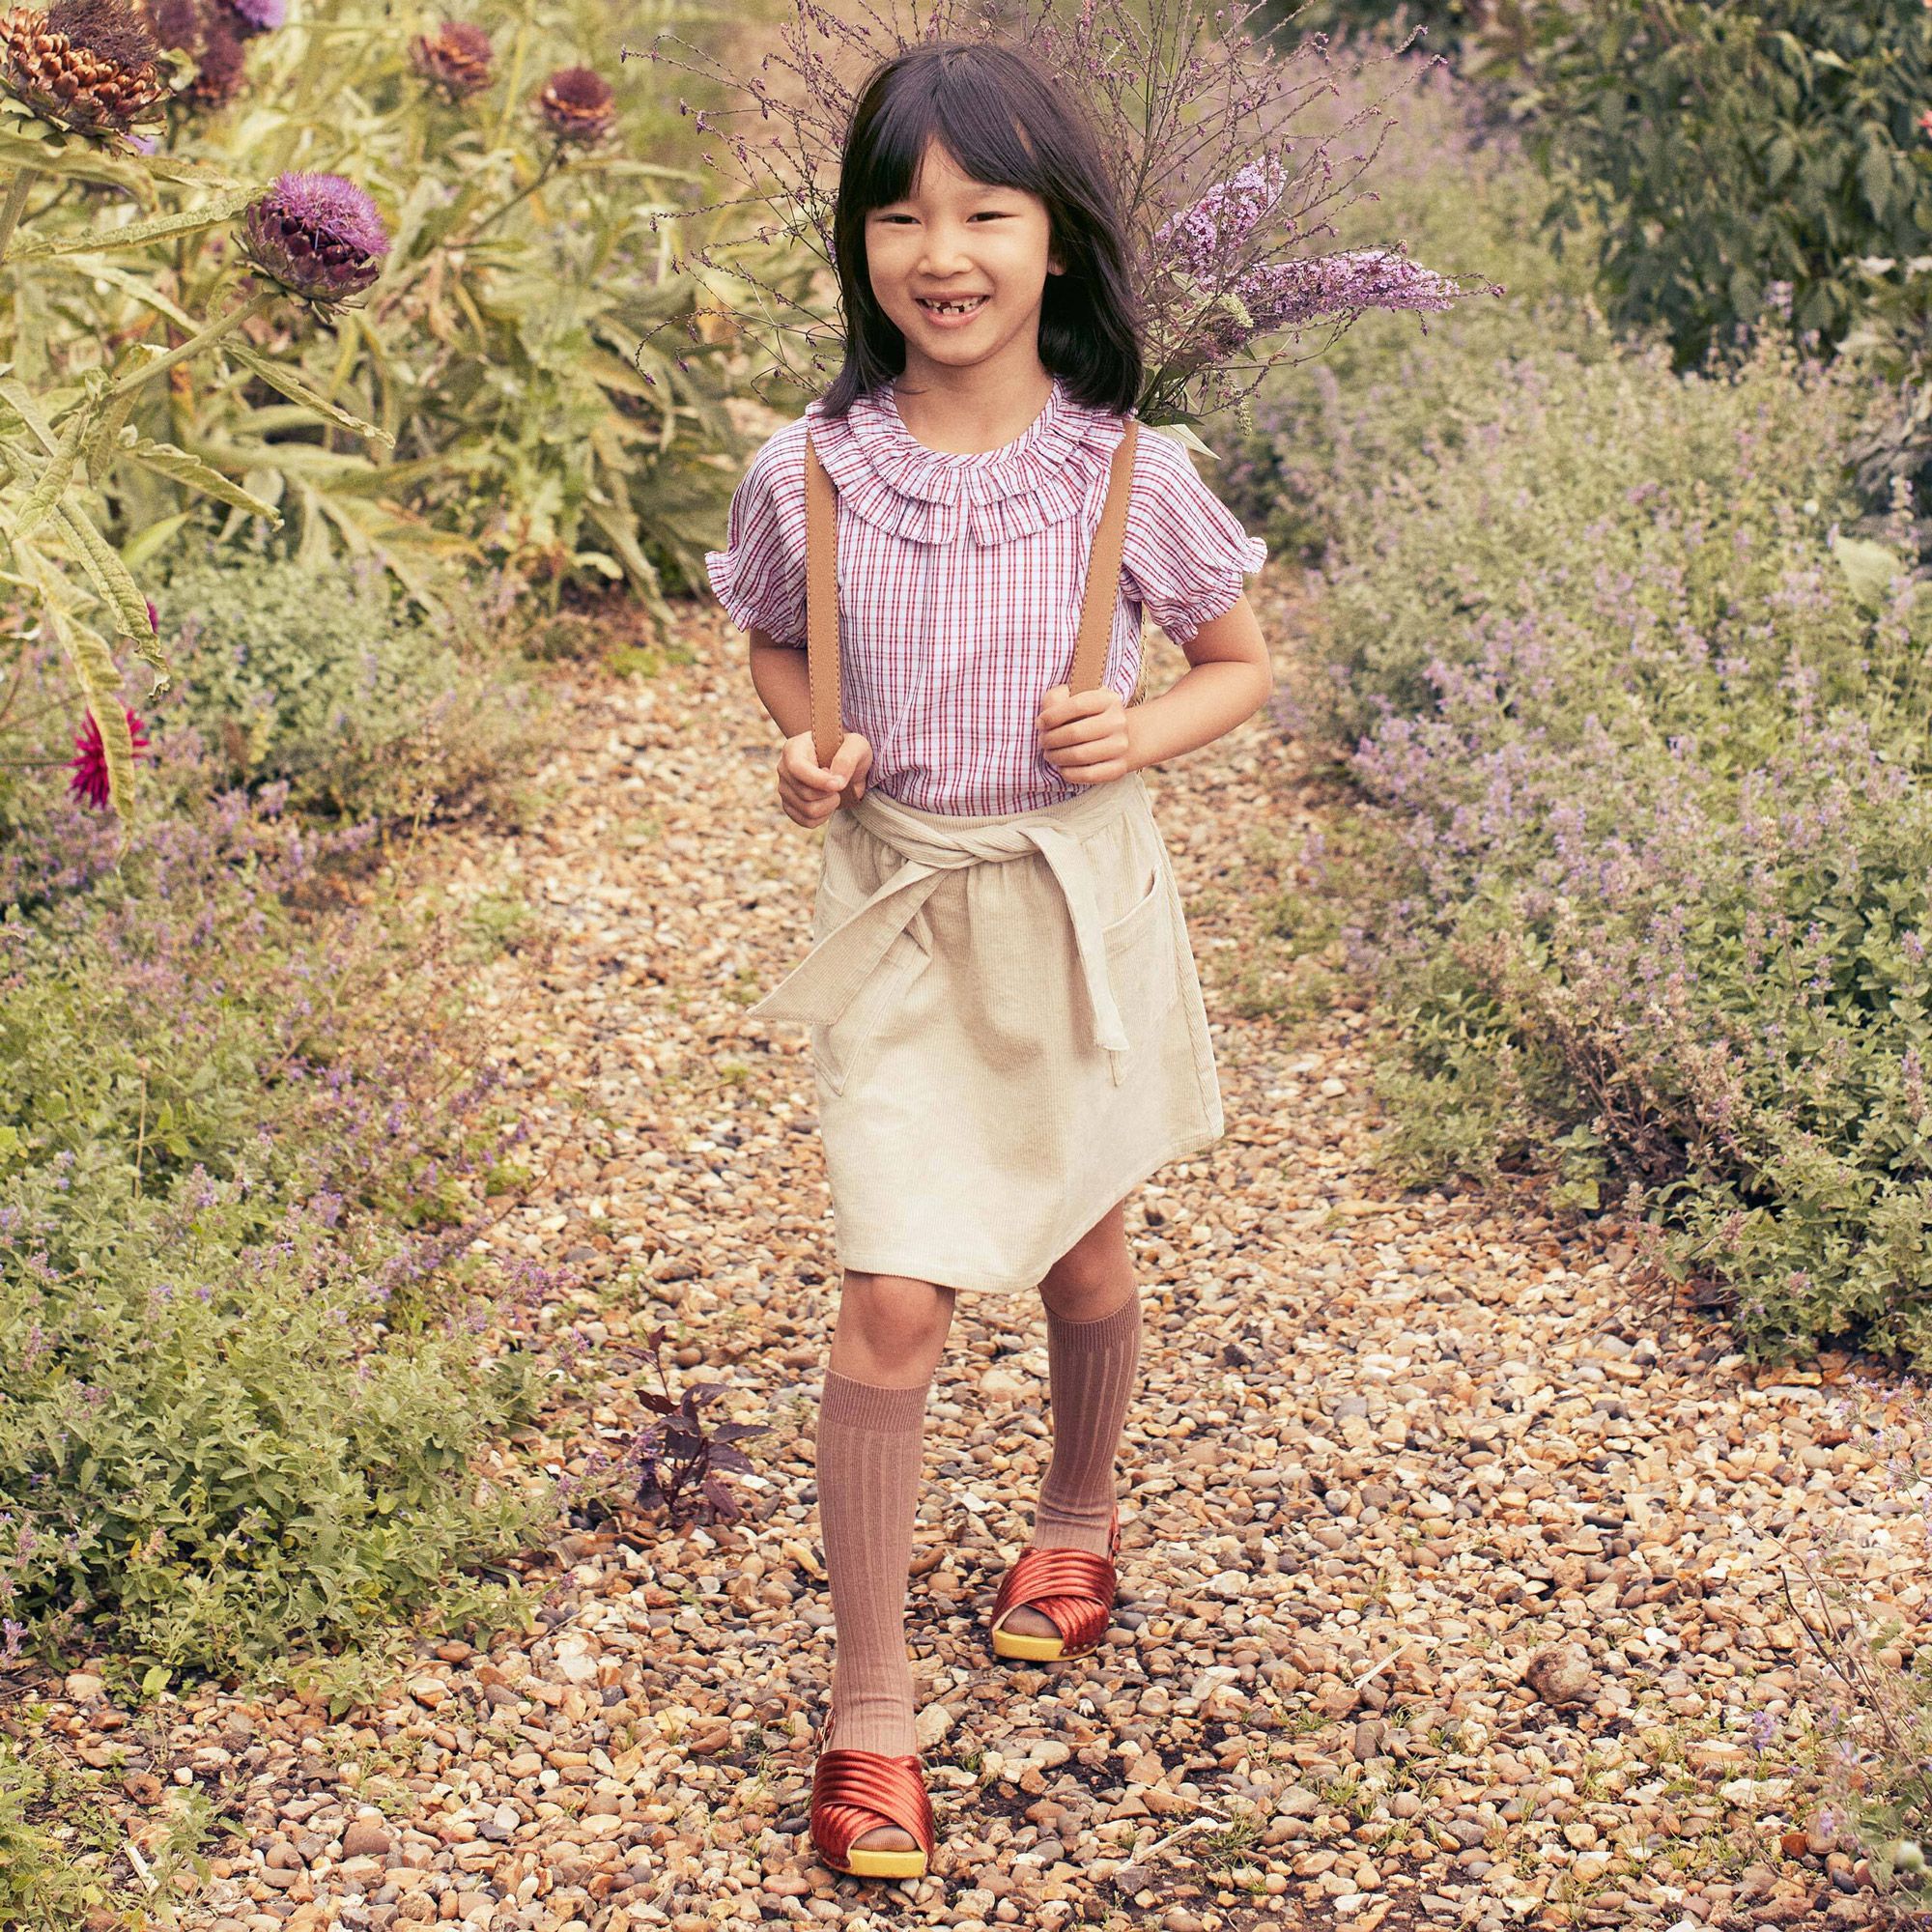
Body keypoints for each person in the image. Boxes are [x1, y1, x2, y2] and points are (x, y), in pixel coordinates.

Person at [704, 36, 1271, 1883]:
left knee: (1086, 1241)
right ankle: (872, 1713)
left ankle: (1079, 1513)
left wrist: (1142, 734)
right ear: (859, 244)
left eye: (984, 212)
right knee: (895, 1297)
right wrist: (811, 740)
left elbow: (1239, 664)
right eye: (900, 213)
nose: (940, 251)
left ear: (1056, 242)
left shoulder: (1130, 468)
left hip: (1070, 903)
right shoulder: (812, 473)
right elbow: (779, 651)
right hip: (899, 909)